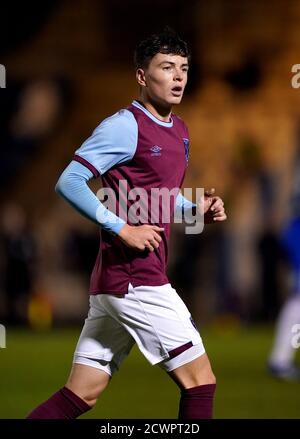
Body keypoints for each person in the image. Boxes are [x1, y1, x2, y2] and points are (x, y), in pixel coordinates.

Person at [27, 28, 227, 419]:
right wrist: (123, 228)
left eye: (183, 68)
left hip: (116, 284)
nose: (178, 77)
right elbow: (68, 181)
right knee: (201, 383)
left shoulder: (180, 130)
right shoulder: (123, 126)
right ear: (141, 76)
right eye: (166, 68)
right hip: (137, 280)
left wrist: (194, 210)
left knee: (80, 395)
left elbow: (158, 197)